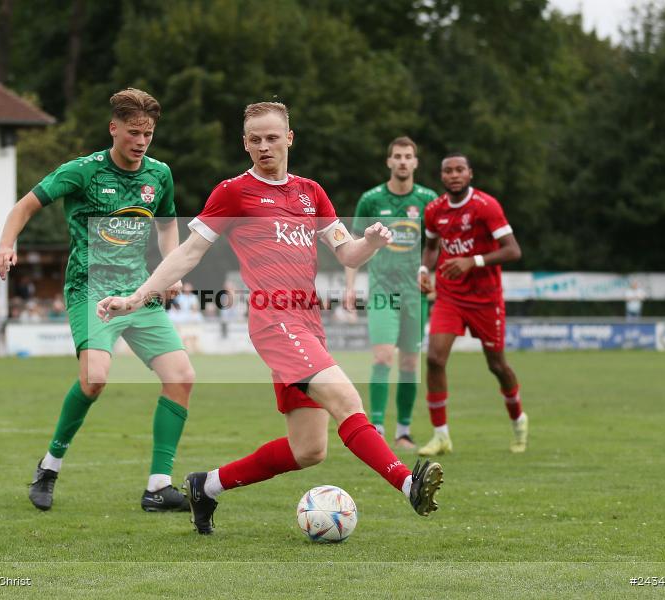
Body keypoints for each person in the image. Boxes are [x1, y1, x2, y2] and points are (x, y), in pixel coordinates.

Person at [98, 101, 443, 535]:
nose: (264, 146)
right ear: (245, 144)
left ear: (289, 138)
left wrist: (371, 241)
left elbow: (348, 251)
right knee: (348, 402)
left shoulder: (310, 192)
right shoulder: (233, 192)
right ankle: (408, 483)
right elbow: (188, 252)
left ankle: (206, 486)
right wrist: (136, 297)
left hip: (308, 323)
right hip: (275, 322)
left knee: (309, 449)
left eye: (272, 137)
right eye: (255, 139)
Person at [0, 88, 196, 513]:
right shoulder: (82, 172)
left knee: (182, 376)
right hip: (91, 290)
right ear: (113, 129)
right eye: (134, 132)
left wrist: (169, 269)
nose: (141, 142)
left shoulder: (158, 175)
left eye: (149, 134)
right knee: (95, 379)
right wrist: (6, 244)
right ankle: (49, 466)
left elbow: (167, 226)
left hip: (138, 293)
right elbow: (23, 207)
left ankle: (158, 487)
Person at [417, 153, 528, 456]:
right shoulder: (434, 210)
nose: (454, 175)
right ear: (442, 176)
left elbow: (513, 250)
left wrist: (473, 261)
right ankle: (441, 436)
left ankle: (518, 419)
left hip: (485, 298)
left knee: (497, 365)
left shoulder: (485, 206)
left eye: (459, 170)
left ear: (470, 174)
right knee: (435, 359)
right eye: (448, 171)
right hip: (450, 296)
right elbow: (430, 248)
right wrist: (424, 271)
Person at [344, 136, 437, 450]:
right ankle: (378, 428)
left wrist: (432, 275)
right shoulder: (371, 200)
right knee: (383, 356)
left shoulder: (428, 200)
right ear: (389, 161)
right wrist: (349, 288)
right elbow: (352, 244)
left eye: (407, 156)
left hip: (415, 294)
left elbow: (439, 244)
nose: (402, 161)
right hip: (382, 290)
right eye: (396, 156)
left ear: (415, 162)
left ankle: (404, 431)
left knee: (410, 363)